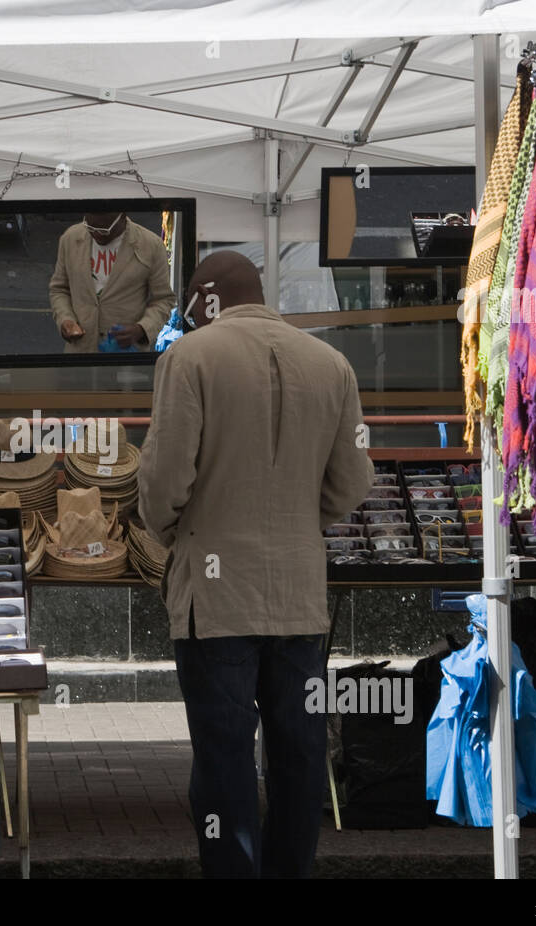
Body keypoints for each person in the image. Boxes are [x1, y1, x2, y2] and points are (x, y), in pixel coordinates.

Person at [138, 251, 374, 878]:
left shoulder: (187, 358)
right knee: (298, 755)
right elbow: (353, 482)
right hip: (299, 596)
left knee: (224, 759)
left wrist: (172, 532)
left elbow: (164, 481)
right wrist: (298, 520)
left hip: (215, 602)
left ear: (203, 298)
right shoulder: (333, 364)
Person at [49, 212, 175, 353]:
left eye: (104, 230)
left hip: (125, 359)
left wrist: (142, 329)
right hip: (80, 356)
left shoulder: (152, 245)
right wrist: (66, 319)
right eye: (90, 227)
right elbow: (59, 290)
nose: (96, 234)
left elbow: (164, 300)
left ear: (122, 217)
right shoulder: (70, 239)